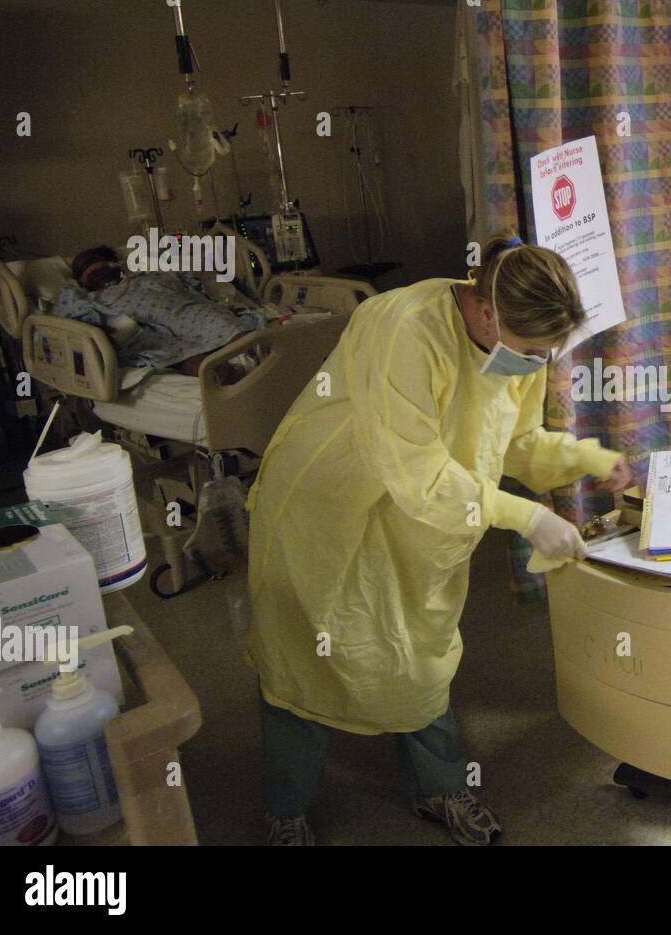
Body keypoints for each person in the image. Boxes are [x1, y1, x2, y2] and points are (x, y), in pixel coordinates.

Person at [245, 231, 632, 846]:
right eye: (533, 350)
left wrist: (583, 455)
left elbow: (516, 441)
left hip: (424, 514)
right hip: (330, 507)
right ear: (485, 311)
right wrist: (528, 518)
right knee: (306, 654)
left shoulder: (520, 347)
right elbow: (419, 472)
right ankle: (286, 808)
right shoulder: (404, 330)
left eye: (547, 354)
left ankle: (440, 790)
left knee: (420, 653)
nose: (539, 364)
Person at [57, 246, 263, 374]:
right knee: (178, 355)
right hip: (148, 330)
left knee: (222, 324)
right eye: (84, 272)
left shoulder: (147, 275)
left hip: (184, 311)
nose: (92, 271)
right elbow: (74, 313)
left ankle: (266, 357)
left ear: (114, 264)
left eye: (95, 264)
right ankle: (228, 378)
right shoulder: (91, 299)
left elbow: (188, 288)